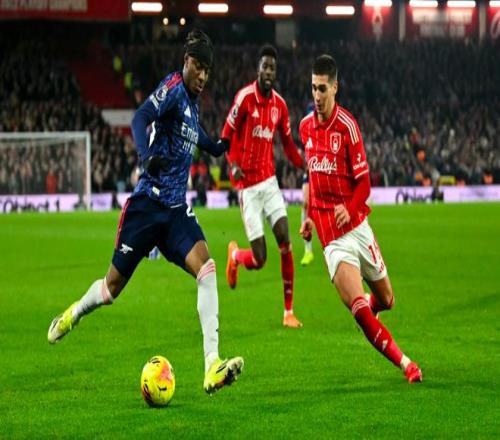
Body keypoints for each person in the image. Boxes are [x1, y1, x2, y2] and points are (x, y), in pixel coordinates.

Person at [47, 30, 243, 395]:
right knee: (111, 289)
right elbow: (140, 118)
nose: (202, 75)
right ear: (186, 62)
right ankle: (74, 313)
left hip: (175, 211)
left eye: (207, 70)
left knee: (207, 268)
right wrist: (144, 157)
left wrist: (214, 146)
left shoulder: (193, 103)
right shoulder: (173, 88)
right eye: (198, 67)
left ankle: (212, 365)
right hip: (146, 206)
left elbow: (193, 132)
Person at [299, 55, 422, 383]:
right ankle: (406, 363)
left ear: (335, 88)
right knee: (359, 308)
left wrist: (350, 208)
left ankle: (371, 310)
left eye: (322, 88)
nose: (316, 95)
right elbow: (313, 180)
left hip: (357, 227)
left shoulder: (347, 127)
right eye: (313, 88)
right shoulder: (305, 128)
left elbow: (365, 183)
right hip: (332, 238)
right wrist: (310, 218)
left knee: (387, 300)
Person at [221, 45, 305, 328]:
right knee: (260, 259)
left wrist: (305, 165)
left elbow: (288, 145)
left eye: (273, 68)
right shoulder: (244, 98)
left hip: (269, 183)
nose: (269, 71)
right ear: (258, 69)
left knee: (285, 240)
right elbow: (226, 134)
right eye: (265, 66)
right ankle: (236, 255)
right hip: (248, 188)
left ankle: (288, 312)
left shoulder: (280, 106)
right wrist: (232, 164)